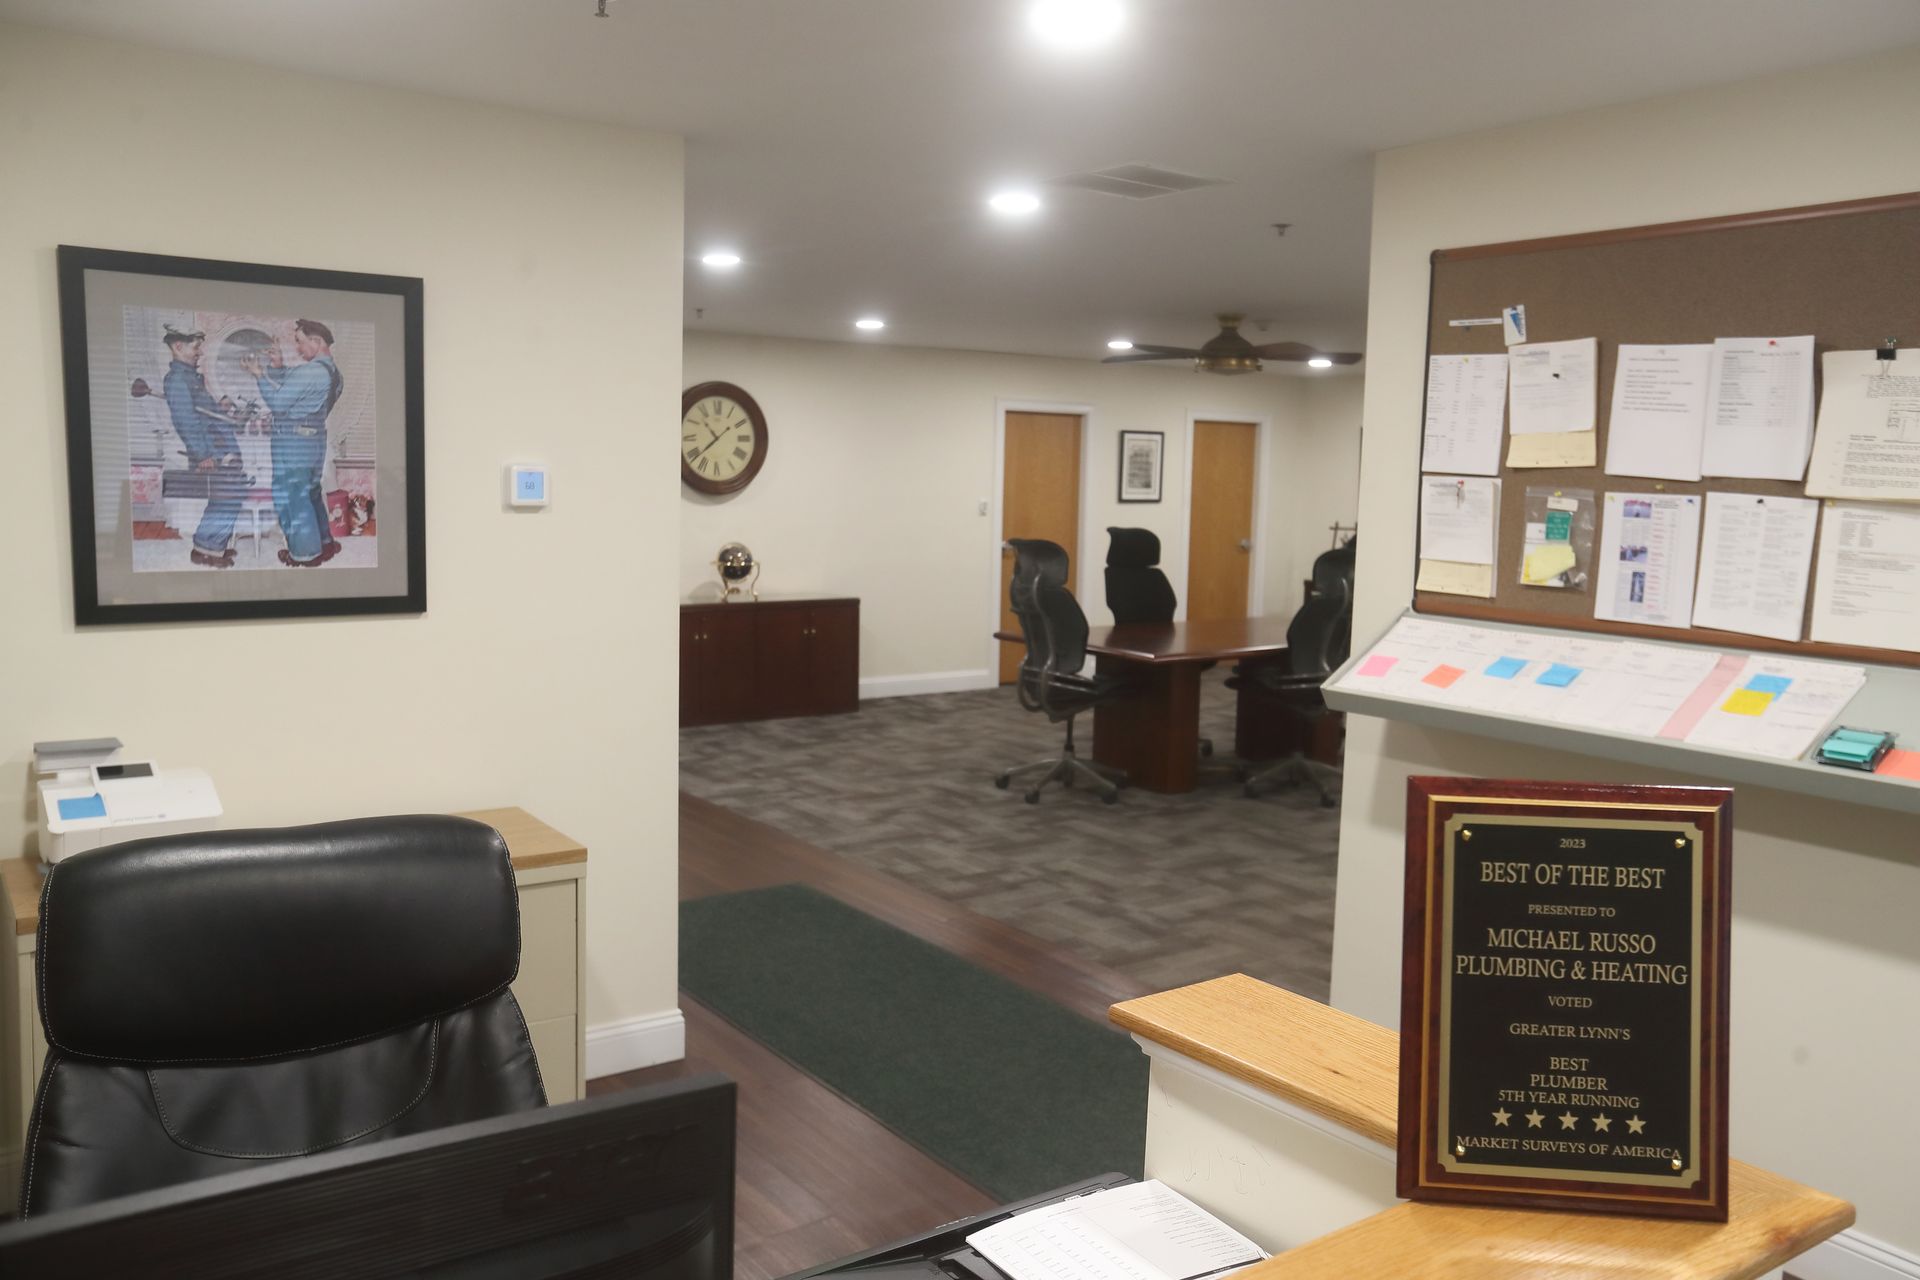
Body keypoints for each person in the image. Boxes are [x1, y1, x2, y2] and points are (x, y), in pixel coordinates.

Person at [247, 318, 343, 567]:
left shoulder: (310, 371)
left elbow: (279, 404)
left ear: (317, 341)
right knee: (310, 493)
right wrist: (278, 366)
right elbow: (299, 389)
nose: (298, 349)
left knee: (292, 497)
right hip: (314, 440)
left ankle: (304, 554)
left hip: (293, 443)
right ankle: (325, 544)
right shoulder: (334, 374)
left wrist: (260, 375)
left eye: (300, 343)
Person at [160, 326, 244, 568]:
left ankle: (208, 547)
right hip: (210, 449)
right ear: (178, 347)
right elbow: (186, 421)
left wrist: (221, 407)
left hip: (218, 445)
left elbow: (202, 413)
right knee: (228, 496)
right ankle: (209, 550)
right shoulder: (177, 380)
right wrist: (203, 454)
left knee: (225, 496)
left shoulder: (189, 377)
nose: (200, 353)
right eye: (195, 347)